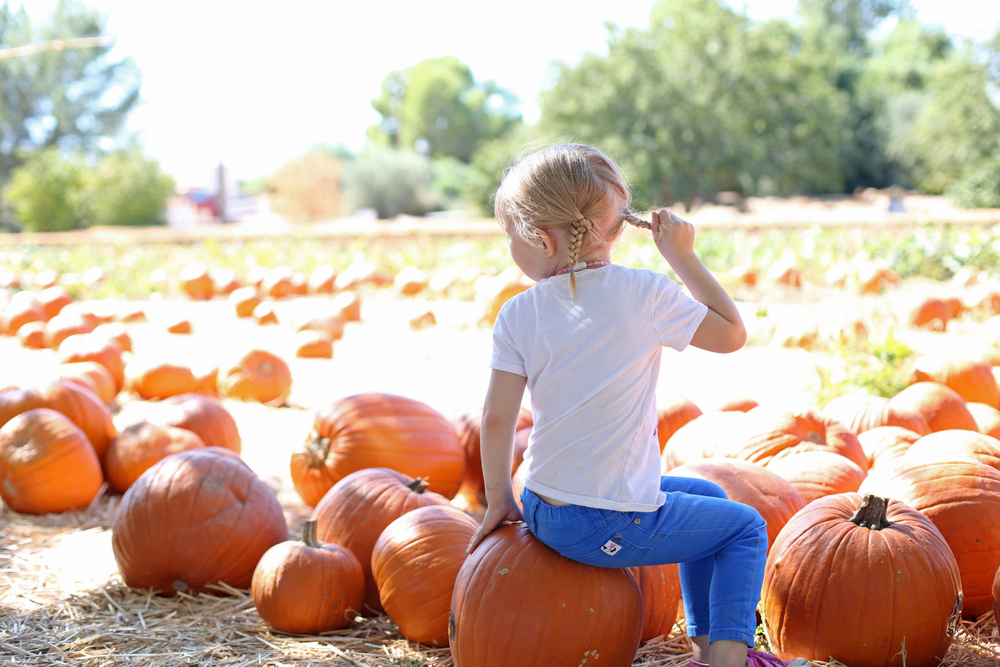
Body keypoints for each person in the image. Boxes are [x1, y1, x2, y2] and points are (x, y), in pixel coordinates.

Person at [466, 144, 808, 667]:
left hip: (542, 505)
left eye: (510, 235)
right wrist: (682, 258)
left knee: (705, 493)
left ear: (539, 237)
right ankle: (729, 661)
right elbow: (732, 333)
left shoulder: (517, 313)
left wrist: (499, 503)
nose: (512, 246)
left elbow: (495, 419)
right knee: (744, 527)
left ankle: (703, 647)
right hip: (603, 522)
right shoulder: (646, 292)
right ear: (617, 227)